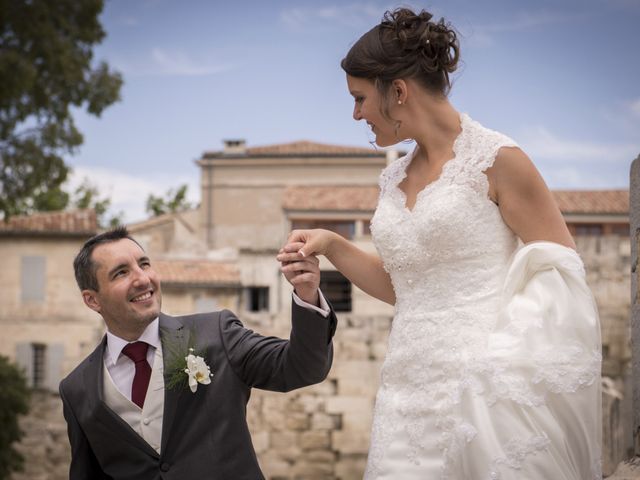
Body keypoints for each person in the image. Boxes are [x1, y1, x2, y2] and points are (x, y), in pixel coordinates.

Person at [278, 8, 601, 480]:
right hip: (405, 393)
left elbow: (562, 273)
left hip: (486, 390)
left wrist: (507, 363)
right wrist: (331, 244)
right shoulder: (393, 177)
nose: (356, 114)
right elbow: (404, 288)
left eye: (360, 98)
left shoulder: (499, 160)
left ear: (399, 91)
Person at [59, 226, 336, 480]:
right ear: (92, 299)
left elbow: (302, 367)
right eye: (121, 272)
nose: (143, 279)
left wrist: (307, 295)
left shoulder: (216, 333)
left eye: (144, 264)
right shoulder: (77, 389)